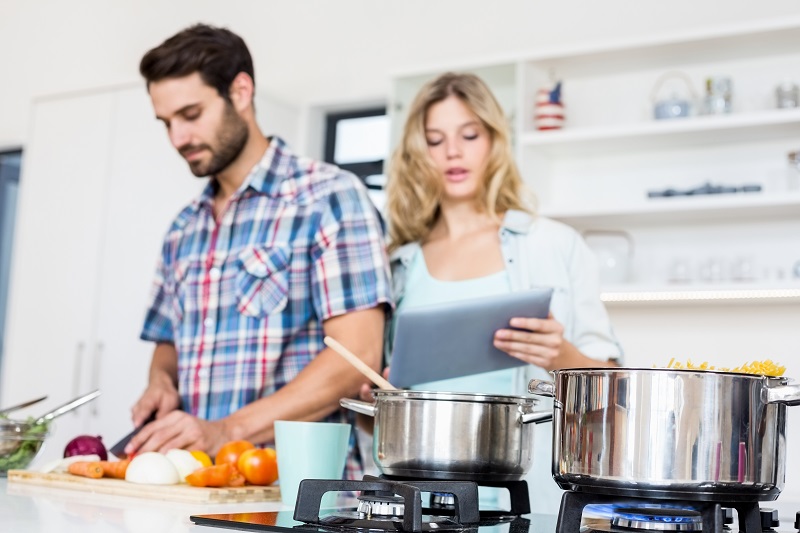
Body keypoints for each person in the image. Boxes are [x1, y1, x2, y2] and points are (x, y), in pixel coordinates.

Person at [126, 24, 392, 477]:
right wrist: (160, 381)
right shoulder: (183, 228)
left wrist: (226, 430)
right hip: (195, 481)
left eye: (191, 114)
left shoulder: (328, 198)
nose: (178, 137)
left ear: (241, 91)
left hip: (300, 491)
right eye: (166, 122)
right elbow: (168, 343)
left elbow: (358, 357)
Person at [380, 72, 623, 511]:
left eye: (469, 135)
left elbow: (615, 400)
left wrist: (560, 356)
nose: (453, 151)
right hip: (424, 505)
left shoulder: (555, 243)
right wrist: (376, 398)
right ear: (418, 153)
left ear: (494, 141)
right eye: (435, 140)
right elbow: (385, 414)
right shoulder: (399, 262)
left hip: (532, 503)